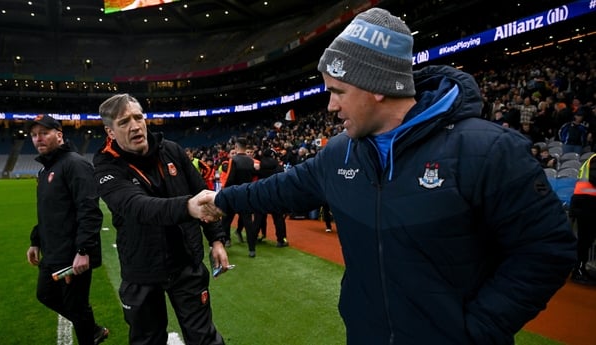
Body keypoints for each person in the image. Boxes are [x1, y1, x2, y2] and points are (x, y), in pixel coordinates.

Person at [192, 8, 577, 344]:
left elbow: (546, 249)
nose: (330, 105)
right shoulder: (340, 153)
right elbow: (282, 189)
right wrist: (222, 200)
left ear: (376, 88)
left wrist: (478, 328)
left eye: (338, 91)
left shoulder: (488, 150)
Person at [92, 94, 229, 345]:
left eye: (138, 117)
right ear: (110, 132)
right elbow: (137, 207)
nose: (135, 126)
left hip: (185, 262)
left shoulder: (172, 150)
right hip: (141, 268)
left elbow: (202, 193)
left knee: (204, 338)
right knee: (147, 341)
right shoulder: (105, 166)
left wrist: (217, 239)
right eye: (124, 122)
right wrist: (187, 206)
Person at [25, 114, 109, 345]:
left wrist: (84, 250)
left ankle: (89, 333)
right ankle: (91, 329)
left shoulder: (76, 164)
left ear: (59, 135)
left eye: (44, 133)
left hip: (73, 253)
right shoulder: (45, 171)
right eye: (33, 135)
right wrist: (35, 241)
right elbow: (48, 212)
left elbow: (89, 210)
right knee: (45, 294)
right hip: (52, 251)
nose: (38, 138)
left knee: (76, 306)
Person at [221, 137, 258, 257]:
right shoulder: (250, 160)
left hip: (233, 194)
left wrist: (224, 191)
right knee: (248, 223)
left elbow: (230, 178)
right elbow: (253, 175)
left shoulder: (234, 160)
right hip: (246, 193)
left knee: (226, 221)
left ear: (236, 147)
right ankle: (252, 249)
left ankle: (223, 243)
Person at [569, 152, 596, 285]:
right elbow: (594, 178)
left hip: (586, 203)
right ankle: (578, 270)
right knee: (585, 239)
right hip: (586, 203)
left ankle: (580, 268)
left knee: (587, 239)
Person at [253, 148, 288, 247]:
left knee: (258, 218)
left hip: (261, 193)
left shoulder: (260, 166)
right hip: (275, 194)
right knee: (278, 219)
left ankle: (253, 237)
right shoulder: (278, 166)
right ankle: (281, 240)